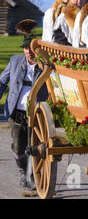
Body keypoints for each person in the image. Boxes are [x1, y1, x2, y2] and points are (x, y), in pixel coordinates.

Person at [0, 21, 48, 189]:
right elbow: (1, 82)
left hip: (37, 113)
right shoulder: (15, 61)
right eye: (26, 49)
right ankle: (23, 172)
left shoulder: (45, 66)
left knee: (36, 147)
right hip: (16, 112)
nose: (29, 52)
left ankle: (33, 175)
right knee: (19, 147)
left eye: (32, 48)